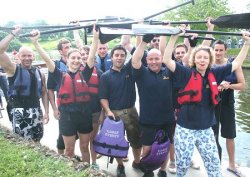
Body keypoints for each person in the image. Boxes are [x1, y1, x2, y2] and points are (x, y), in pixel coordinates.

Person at [162, 31, 250, 177]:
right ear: (194, 60)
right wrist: (173, 37)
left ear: (210, 60)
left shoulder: (216, 73)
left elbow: (237, 63)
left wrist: (247, 43)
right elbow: (166, 59)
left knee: (214, 167)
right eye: (199, 57)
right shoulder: (185, 73)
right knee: (182, 168)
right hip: (185, 130)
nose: (202, 60)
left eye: (205, 58)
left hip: (205, 130)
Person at [30, 24, 99, 163]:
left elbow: (91, 57)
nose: (76, 60)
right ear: (67, 60)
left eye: (78, 58)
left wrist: (96, 37)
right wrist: (36, 43)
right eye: (73, 58)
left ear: (81, 61)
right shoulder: (60, 76)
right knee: (69, 150)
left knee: (85, 147)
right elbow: (47, 60)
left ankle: (86, 171)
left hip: (84, 114)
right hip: (67, 117)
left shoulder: (85, 73)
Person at [131, 34, 175, 177]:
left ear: (162, 59)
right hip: (148, 121)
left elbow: (171, 55)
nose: (154, 61)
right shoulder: (141, 73)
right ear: (147, 60)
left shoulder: (169, 71)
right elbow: (135, 59)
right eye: (150, 59)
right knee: (147, 149)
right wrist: (144, 41)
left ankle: (162, 170)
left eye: (157, 58)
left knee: (165, 147)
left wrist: (172, 36)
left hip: (168, 119)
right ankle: (148, 170)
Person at [0, 26, 49, 142]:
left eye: (29, 55)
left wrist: (46, 112)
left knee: (37, 140)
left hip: (36, 110)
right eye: (24, 55)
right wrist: (13, 34)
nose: (27, 58)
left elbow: (44, 93)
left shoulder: (39, 73)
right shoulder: (12, 69)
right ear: (18, 57)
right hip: (19, 111)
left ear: (34, 56)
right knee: (23, 142)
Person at [99, 45, 142, 177]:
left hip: (131, 111)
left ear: (125, 57)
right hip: (114, 114)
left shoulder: (129, 70)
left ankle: (137, 162)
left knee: (136, 140)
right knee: (116, 142)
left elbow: (137, 55)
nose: (119, 58)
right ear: (111, 57)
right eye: (116, 55)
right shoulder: (105, 76)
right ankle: (120, 165)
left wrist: (143, 40)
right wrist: (107, 111)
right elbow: (103, 98)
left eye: (122, 55)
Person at [212, 39, 246, 177]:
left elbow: (243, 85)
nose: (218, 53)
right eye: (216, 50)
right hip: (212, 104)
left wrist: (229, 85)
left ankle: (231, 165)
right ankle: (214, 164)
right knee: (212, 135)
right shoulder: (208, 64)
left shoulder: (233, 64)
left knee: (230, 135)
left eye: (221, 50)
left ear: (225, 50)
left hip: (227, 103)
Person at [46, 38, 71, 155]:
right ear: (60, 51)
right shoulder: (55, 66)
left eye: (70, 46)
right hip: (63, 105)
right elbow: (50, 89)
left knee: (76, 134)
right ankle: (61, 156)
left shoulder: (78, 62)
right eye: (66, 47)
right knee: (62, 134)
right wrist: (54, 109)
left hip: (78, 105)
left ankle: (70, 153)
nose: (69, 49)